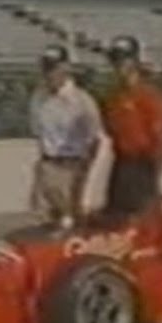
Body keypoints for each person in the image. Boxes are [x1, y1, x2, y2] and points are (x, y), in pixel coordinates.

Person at [28, 44, 103, 231]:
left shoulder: (81, 101)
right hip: (48, 163)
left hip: (72, 165)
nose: (49, 75)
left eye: (54, 68)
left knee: (69, 221)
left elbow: (94, 139)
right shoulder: (39, 97)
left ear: (65, 68)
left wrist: (83, 173)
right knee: (43, 220)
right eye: (46, 69)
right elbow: (40, 133)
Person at [100, 35, 162, 218]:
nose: (119, 67)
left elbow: (159, 140)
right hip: (122, 164)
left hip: (143, 165)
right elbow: (111, 131)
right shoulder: (113, 98)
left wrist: (155, 175)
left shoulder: (149, 96)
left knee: (142, 219)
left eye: (124, 60)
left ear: (134, 61)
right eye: (116, 61)